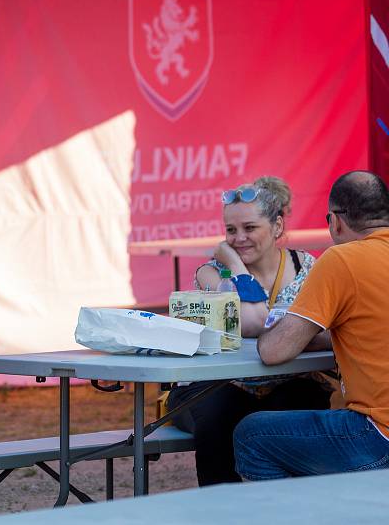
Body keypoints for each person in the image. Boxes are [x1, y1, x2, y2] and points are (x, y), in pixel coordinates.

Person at [167, 176, 331, 486]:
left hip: (288, 382)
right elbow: (257, 322)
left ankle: (293, 510)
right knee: (217, 415)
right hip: (214, 386)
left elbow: (330, 331)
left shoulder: (308, 266)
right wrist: (236, 266)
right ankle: (221, 511)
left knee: (300, 404)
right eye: (231, 230)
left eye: (250, 228)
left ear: (277, 228)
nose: (239, 238)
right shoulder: (212, 272)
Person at [234, 171, 389, 479]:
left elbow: (274, 351)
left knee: (252, 436)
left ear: (335, 221)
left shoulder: (342, 259)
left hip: (378, 433)